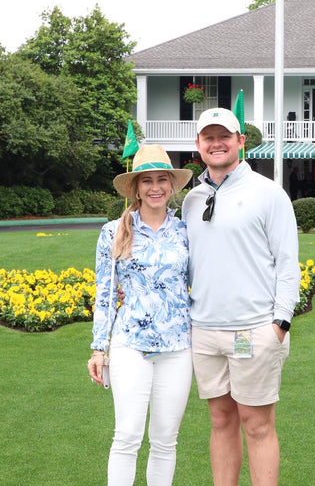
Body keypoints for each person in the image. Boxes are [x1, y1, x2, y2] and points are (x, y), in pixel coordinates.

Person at [182, 108, 301, 486]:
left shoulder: (268, 194)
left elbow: (287, 262)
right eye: (208, 137)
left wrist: (280, 323)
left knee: (258, 424)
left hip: (254, 329)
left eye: (225, 136)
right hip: (204, 331)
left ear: (241, 141)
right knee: (221, 421)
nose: (216, 144)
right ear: (198, 145)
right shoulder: (191, 199)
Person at [88, 144, 194, 486]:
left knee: (165, 441)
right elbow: (104, 293)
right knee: (128, 436)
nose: (155, 187)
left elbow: (201, 282)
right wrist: (98, 347)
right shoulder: (113, 231)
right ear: (135, 187)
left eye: (162, 179)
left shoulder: (185, 231)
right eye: (146, 180)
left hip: (178, 347)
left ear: (172, 185)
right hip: (130, 345)